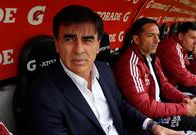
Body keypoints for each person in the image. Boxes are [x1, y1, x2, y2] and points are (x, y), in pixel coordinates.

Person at [24, 5, 185, 135]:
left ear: (98, 45)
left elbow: (120, 104)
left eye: (88, 40)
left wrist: (152, 126)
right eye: (69, 39)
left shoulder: (105, 71)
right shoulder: (42, 96)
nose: (79, 49)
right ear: (57, 45)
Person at [114, 18, 196, 135]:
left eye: (158, 35)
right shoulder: (130, 63)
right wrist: (184, 108)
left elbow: (164, 85)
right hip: (144, 120)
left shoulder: (152, 57)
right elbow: (145, 107)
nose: (157, 40)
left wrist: (184, 99)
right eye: (151, 35)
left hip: (158, 107)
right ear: (136, 39)